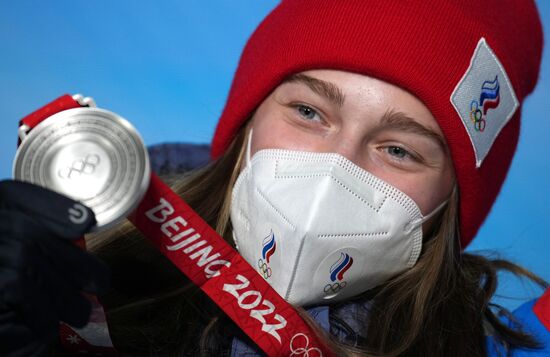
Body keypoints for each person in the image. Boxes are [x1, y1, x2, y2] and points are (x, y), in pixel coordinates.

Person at [1, 1, 549, 356]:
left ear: (450, 202)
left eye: (399, 150)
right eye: (309, 113)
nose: (335, 169)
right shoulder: (80, 274)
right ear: (249, 120)